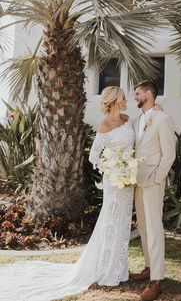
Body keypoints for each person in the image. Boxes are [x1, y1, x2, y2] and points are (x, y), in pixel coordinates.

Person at [0, 86, 135, 301]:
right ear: (115, 100)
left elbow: (132, 149)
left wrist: (128, 167)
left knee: (123, 222)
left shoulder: (128, 119)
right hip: (115, 182)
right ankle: (107, 271)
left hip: (129, 181)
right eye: (124, 97)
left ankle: (120, 268)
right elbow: (93, 157)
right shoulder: (105, 125)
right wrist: (113, 169)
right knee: (110, 222)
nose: (127, 99)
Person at [130, 80, 176, 301]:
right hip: (137, 180)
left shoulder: (163, 119)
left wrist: (158, 179)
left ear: (149, 94)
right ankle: (149, 266)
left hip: (153, 182)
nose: (135, 97)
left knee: (154, 227)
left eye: (138, 93)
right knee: (143, 225)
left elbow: (169, 154)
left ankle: (156, 280)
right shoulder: (138, 119)